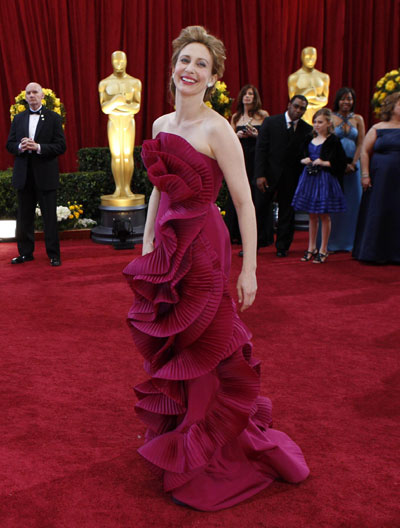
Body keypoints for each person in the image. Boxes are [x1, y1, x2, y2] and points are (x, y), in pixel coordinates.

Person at [123, 26, 309, 512]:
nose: (191, 69)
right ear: (173, 67)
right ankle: (182, 432)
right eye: (185, 60)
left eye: (202, 64)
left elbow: (246, 203)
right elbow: (158, 192)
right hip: (167, 243)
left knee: (203, 344)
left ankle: (206, 453)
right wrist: (146, 244)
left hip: (204, 247)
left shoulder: (217, 128)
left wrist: (249, 269)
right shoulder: (162, 124)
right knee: (175, 341)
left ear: (213, 77)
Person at [6, 82, 66, 267]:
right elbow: (9, 144)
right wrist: (19, 146)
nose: (31, 95)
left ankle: (54, 255)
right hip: (24, 175)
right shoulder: (18, 118)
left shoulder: (54, 118)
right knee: (24, 217)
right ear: (25, 97)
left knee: (49, 217)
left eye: (35, 92)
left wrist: (38, 147)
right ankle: (25, 253)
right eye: (28, 93)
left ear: (42, 96)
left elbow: (60, 146)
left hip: (45, 175)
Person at [254, 95, 313, 257]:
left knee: (287, 213)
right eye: (296, 106)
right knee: (259, 210)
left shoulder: (307, 130)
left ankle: (282, 247)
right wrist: (260, 175)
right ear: (289, 105)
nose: (298, 110)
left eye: (302, 108)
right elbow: (261, 150)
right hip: (268, 176)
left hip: (291, 178)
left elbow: (305, 155)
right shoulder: (271, 122)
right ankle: (253, 245)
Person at [292, 108, 347, 263]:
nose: (316, 125)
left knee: (324, 214)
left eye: (320, 122)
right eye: (315, 122)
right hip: (309, 179)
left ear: (328, 123)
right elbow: (300, 155)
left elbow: (341, 162)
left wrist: (325, 162)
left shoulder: (333, 141)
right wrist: (304, 160)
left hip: (325, 179)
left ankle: (323, 248)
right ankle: (311, 247)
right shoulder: (309, 139)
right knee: (312, 214)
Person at [353, 92, 400, 263]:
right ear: (391, 108)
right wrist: (365, 174)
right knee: (378, 210)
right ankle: (373, 252)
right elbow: (365, 151)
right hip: (381, 178)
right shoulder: (378, 127)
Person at [318, 88, 365, 252]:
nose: (347, 102)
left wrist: (353, 163)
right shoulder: (330, 117)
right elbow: (324, 141)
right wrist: (338, 163)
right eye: (343, 99)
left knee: (353, 205)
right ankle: (329, 243)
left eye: (350, 99)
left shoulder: (358, 119)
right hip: (333, 168)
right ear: (337, 100)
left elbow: (361, 143)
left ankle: (351, 243)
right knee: (332, 204)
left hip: (354, 169)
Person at [227, 84, 270, 252]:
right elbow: (229, 139)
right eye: (245, 94)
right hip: (241, 157)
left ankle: (259, 235)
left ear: (255, 97)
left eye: (250, 94)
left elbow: (268, 138)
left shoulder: (263, 115)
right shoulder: (236, 117)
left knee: (256, 195)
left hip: (257, 158)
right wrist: (237, 135)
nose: (247, 96)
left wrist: (256, 135)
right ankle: (236, 232)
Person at [99, 50, 142, 206]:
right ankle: (118, 188)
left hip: (128, 122)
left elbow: (136, 107)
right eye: (116, 62)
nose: (118, 65)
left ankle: (127, 188)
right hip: (114, 122)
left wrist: (116, 105)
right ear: (111, 62)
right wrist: (119, 101)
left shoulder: (135, 82)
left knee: (127, 155)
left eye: (121, 62)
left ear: (126, 62)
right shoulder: (104, 83)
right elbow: (105, 108)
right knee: (116, 155)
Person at [288, 47, 330, 125]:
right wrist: (314, 97)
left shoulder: (324, 77)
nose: (310, 60)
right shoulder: (294, 77)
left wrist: (308, 96)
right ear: (302, 57)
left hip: (318, 117)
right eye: (307, 57)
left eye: (313, 57)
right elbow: (293, 100)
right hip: (300, 118)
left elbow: (325, 100)